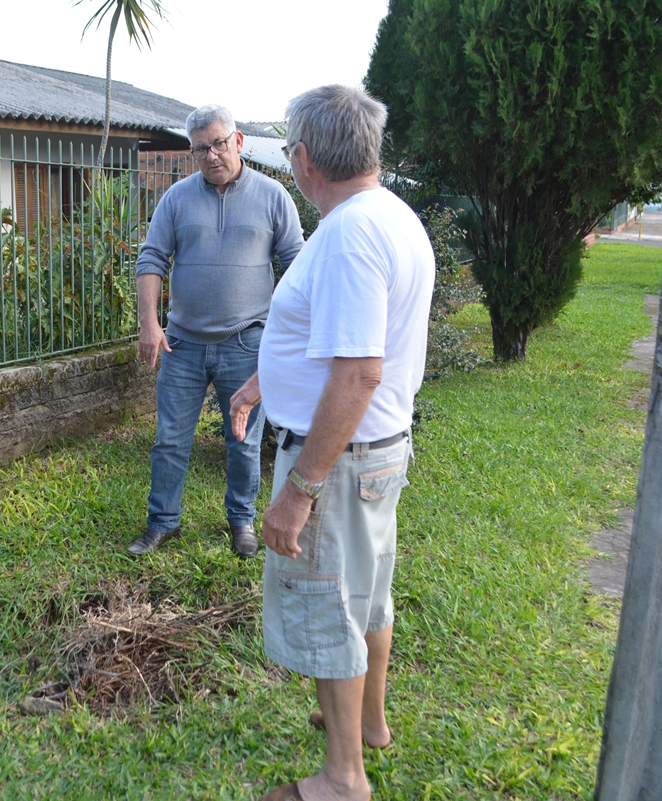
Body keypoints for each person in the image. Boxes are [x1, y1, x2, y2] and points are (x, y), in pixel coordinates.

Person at [230, 85, 435, 801]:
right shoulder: (388, 216)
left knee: (328, 605)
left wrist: (297, 490)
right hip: (376, 453)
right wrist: (262, 383)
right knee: (367, 594)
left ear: (307, 158)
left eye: (289, 151)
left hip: (338, 463)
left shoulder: (349, 233)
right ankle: (369, 722)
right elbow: (332, 342)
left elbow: (357, 372)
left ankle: (342, 777)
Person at [127, 104, 304, 558]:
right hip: (182, 344)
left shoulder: (272, 196)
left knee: (242, 442)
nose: (211, 155)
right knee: (170, 438)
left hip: (247, 343)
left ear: (238, 141)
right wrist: (149, 323)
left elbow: (297, 267)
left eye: (219, 143)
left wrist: (285, 335)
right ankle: (162, 522)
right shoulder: (177, 199)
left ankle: (241, 522)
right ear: (192, 151)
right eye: (201, 148)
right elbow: (151, 259)